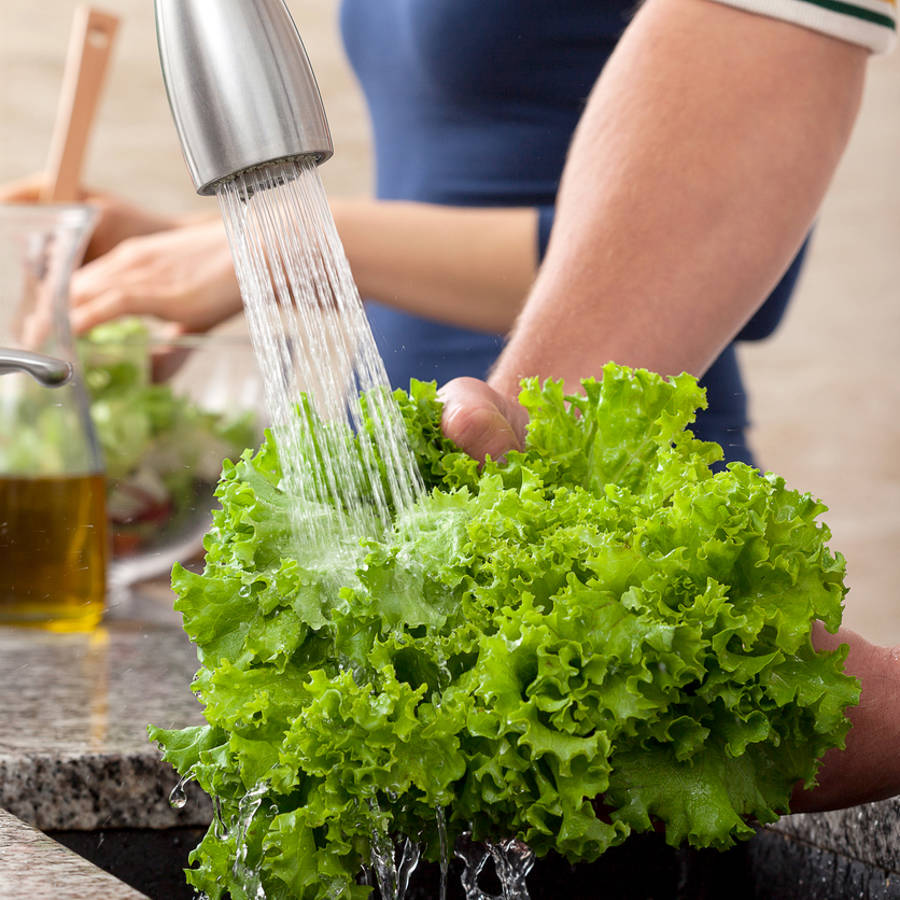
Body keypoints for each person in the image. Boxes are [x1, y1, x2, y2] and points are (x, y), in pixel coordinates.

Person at [4, 0, 898, 813]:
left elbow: (730, 229)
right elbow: (457, 189)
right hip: (415, 535)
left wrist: (302, 235)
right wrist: (188, 253)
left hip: (599, 546)